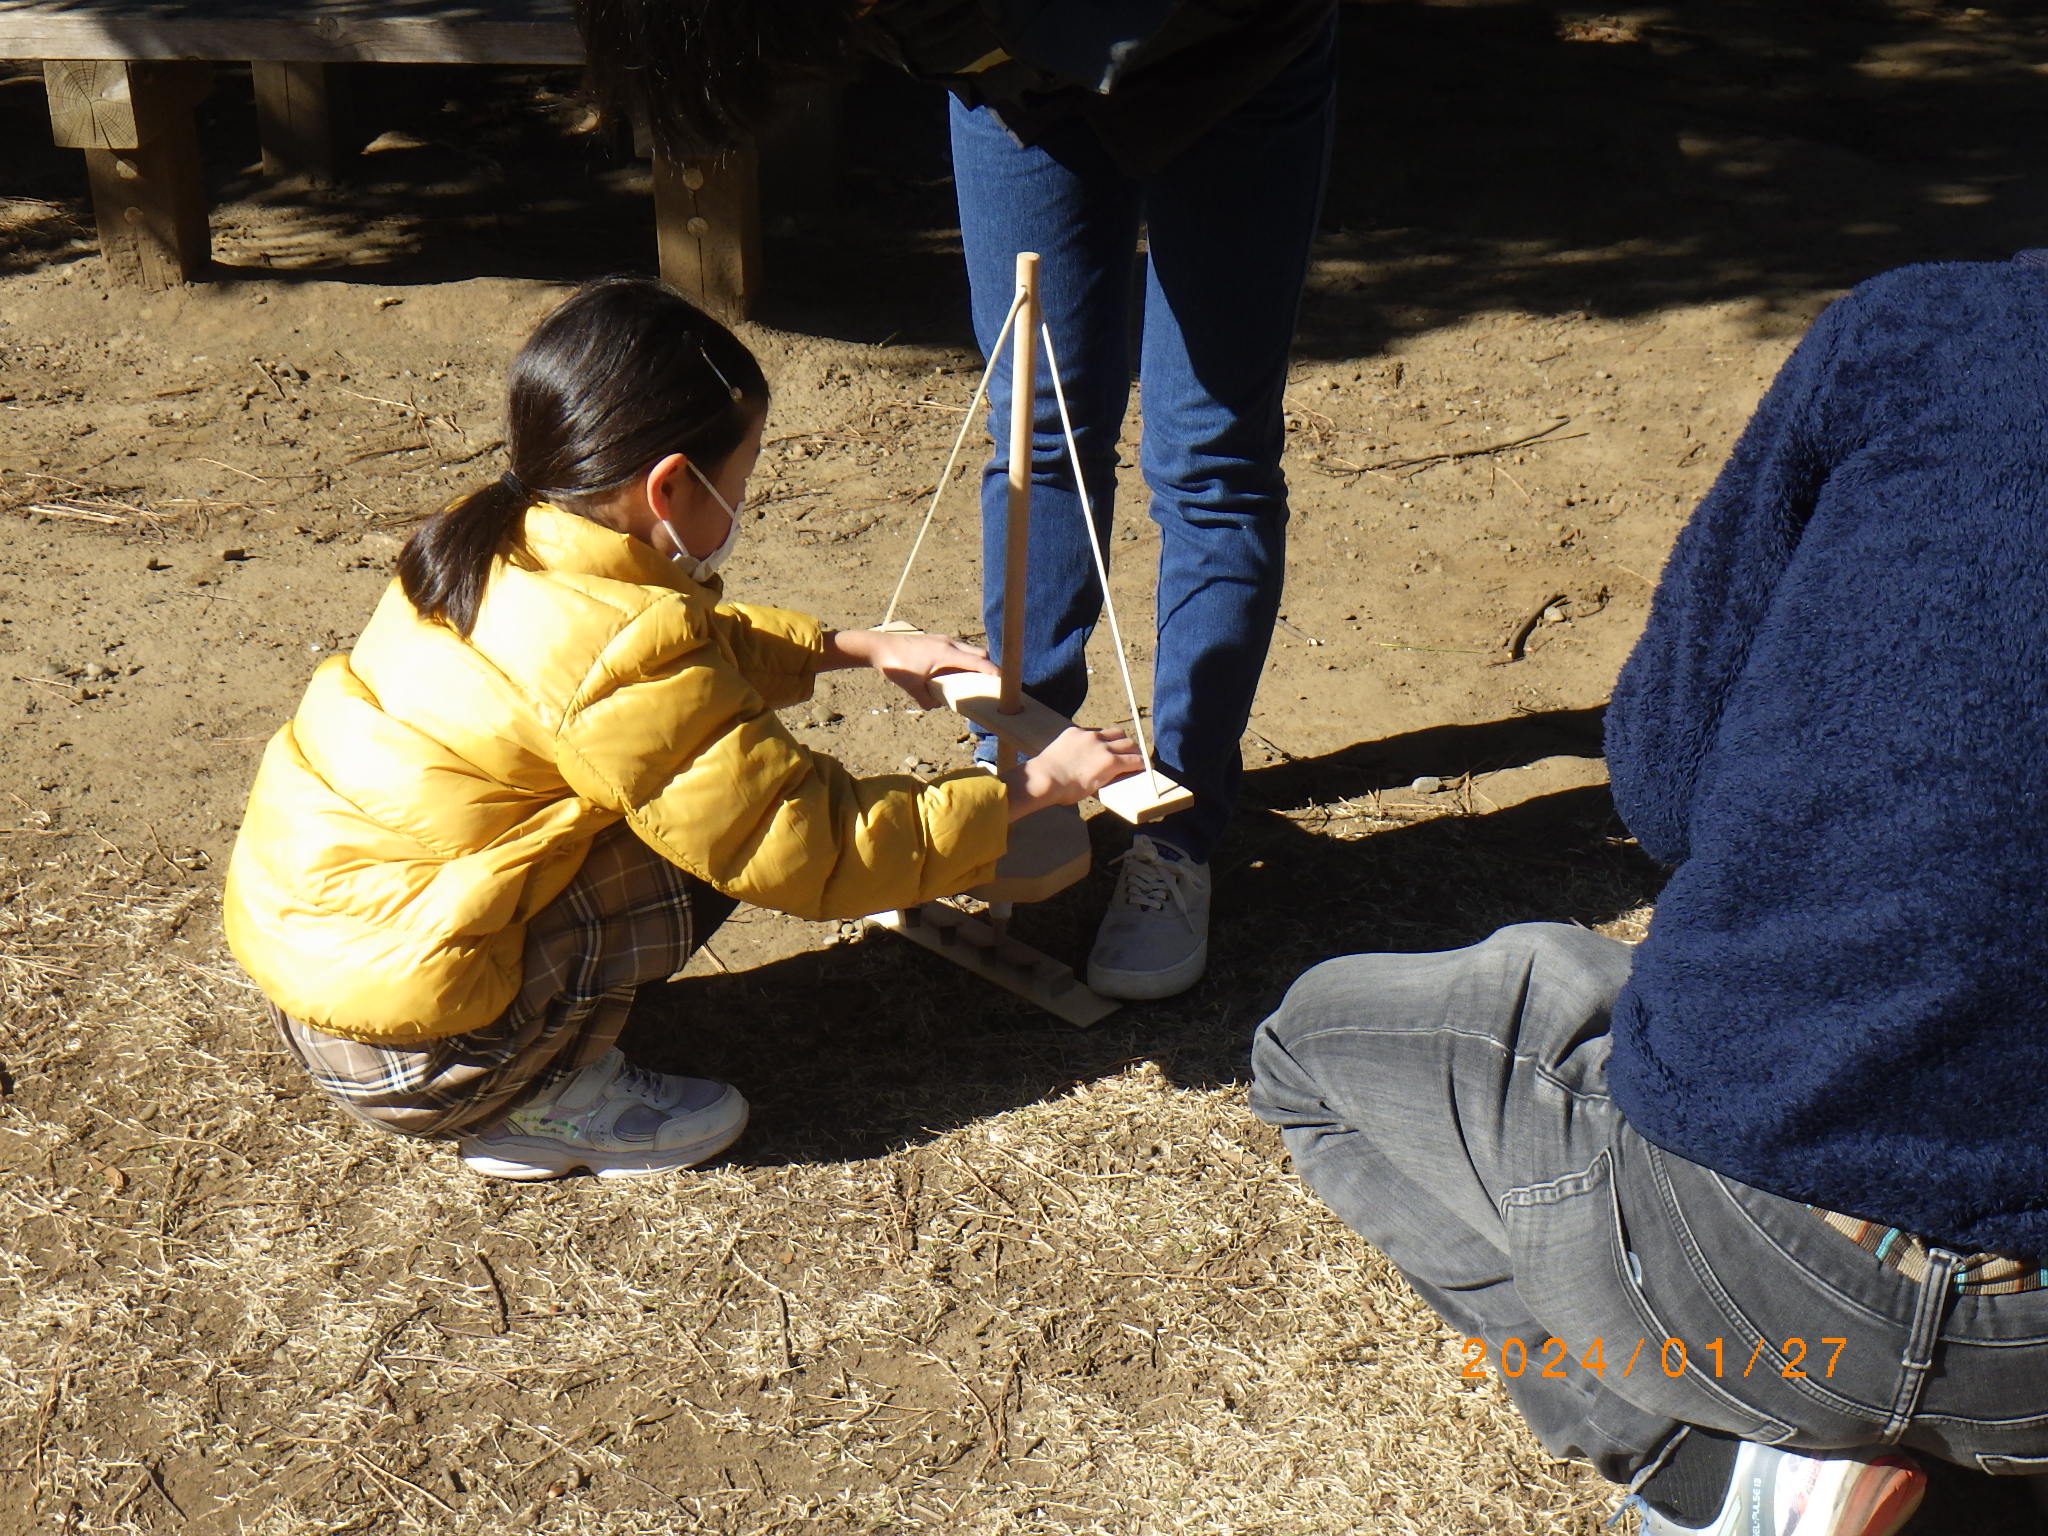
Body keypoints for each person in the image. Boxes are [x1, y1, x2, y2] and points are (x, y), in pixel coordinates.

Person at [1247, 257, 2048, 1535]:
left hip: (1732, 1268)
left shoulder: (1922, 332)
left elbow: (1666, 788)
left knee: (1311, 1050)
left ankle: (1688, 1467)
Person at [223, 277, 1139, 1181]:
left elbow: (667, 660)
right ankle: (538, 1099)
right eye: (739, 478)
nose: (742, 502)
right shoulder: (616, 640)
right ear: (670, 485)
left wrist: (845, 647)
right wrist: (1033, 788)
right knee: (700, 848)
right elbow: (809, 844)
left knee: (680, 802)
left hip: (339, 982)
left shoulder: (499, 534)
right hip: (416, 1059)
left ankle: (520, 1039)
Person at [575, 0, 1339, 999]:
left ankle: (1180, 834)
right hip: (1013, 88)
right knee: (1035, 432)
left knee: (1209, 459)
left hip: (1227, 51)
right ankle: (1024, 772)